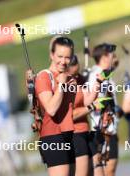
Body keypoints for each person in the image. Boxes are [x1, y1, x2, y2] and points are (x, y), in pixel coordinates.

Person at [35, 36, 76, 176]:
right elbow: (51, 109)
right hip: (52, 136)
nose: (63, 61)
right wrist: (62, 85)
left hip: (69, 134)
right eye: (60, 56)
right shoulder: (43, 77)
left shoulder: (70, 78)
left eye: (67, 57)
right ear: (51, 55)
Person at [67, 55, 103, 176]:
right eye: (73, 65)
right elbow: (70, 115)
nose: (76, 67)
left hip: (86, 130)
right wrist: (91, 107)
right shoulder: (63, 83)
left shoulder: (80, 79)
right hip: (74, 134)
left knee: (98, 171)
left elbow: (88, 100)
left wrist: (98, 83)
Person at [87, 43, 119, 176]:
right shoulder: (96, 75)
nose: (114, 57)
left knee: (110, 170)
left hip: (110, 128)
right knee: (107, 170)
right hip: (101, 130)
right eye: (112, 54)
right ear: (105, 56)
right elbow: (94, 100)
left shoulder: (107, 75)